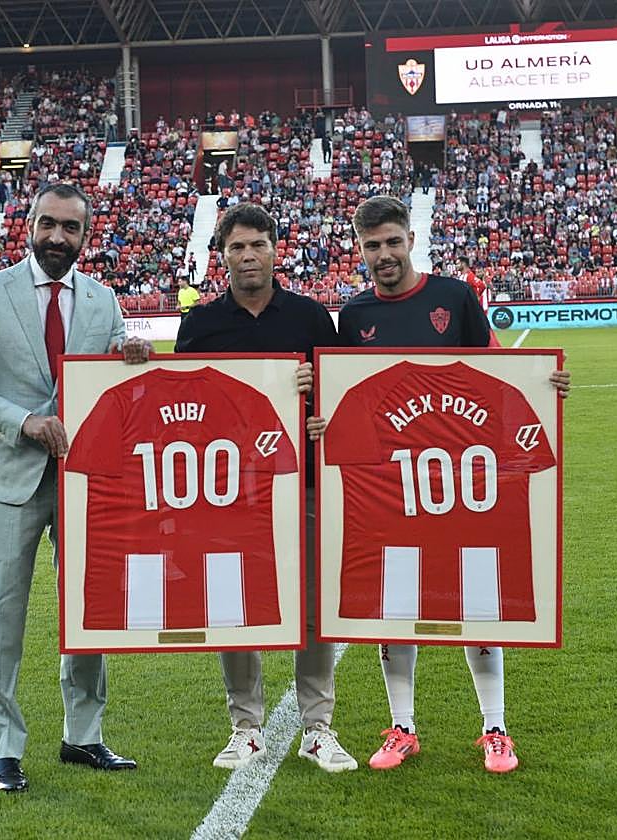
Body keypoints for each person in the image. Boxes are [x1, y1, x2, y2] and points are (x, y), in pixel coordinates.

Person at [324, 196, 570, 775]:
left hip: (466, 476)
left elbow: (492, 372)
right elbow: (345, 396)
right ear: (359, 250)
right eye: (370, 246)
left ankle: (495, 729)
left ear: (410, 239)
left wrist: (541, 386)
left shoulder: (454, 297)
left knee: (478, 601)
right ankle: (403, 726)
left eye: (391, 241)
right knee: (396, 604)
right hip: (392, 483)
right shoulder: (354, 315)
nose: (383, 254)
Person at [0, 183, 152, 794]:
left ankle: (83, 735)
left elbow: (115, 376)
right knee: (4, 614)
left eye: (72, 228)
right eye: (49, 224)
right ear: (29, 225)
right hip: (13, 478)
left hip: (87, 481)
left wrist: (130, 353)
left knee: (87, 611)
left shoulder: (102, 298)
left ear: (86, 236)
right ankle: (4, 746)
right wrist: (23, 421)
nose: (58, 237)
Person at [175, 202, 356, 773]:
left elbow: (342, 398)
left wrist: (316, 394)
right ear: (222, 255)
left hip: (298, 479)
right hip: (229, 487)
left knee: (311, 604)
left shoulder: (309, 318)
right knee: (234, 601)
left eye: (257, 245)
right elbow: (181, 404)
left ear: (276, 249)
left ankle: (318, 727)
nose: (247, 255)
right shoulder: (200, 324)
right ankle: (244, 726)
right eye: (236, 247)